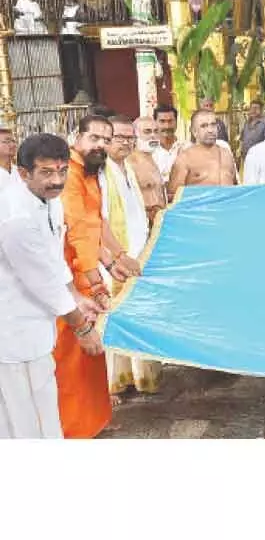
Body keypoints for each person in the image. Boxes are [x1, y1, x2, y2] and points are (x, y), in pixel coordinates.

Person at [0, 133, 106, 438]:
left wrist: (75, 294)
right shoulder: (15, 216)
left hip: (36, 328)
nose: (56, 180)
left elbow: (53, 257)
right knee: (20, 418)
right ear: (24, 173)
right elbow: (41, 281)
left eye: (62, 171)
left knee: (44, 408)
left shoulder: (48, 200)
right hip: (12, 330)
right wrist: (82, 328)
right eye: (46, 172)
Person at [59, 115, 136, 437]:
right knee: (72, 355)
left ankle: (93, 422)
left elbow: (96, 222)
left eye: (106, 140)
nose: (101, 146)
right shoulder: (68, 175)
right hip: (68, 276)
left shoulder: (91, 172)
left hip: (86, 270)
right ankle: (72, 428)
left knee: (91, 355)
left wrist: (117, 257)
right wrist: (96, 282)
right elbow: (77, 232)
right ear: (78, 137)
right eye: (95, 138)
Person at [100, 117, 162, 398]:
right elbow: (98, 219)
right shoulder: (102, 172)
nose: (125, 142)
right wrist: (116, 256)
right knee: (116, 315)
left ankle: (138, 377)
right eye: (119, 137)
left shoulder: (128, 167)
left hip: (137, 252)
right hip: (113, 259)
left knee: (137, 314)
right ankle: (117, 381)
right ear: (107, 140)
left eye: (129, 138)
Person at [167, 110, 237, 199]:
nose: (210, 130)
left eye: (213, 125)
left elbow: (235, 187)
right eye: (204, 126)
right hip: (199, 210)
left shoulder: (226, 153)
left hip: (228, 209)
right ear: (194, 131)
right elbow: (173, 195)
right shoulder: (185, 158)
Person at [130, 117, 168, 226]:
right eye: (147, 132)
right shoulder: (130, 162)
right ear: (134, 136)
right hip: (141, 223)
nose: (153, 135)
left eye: (156, 131)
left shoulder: (153, 160)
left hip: (159, 221)